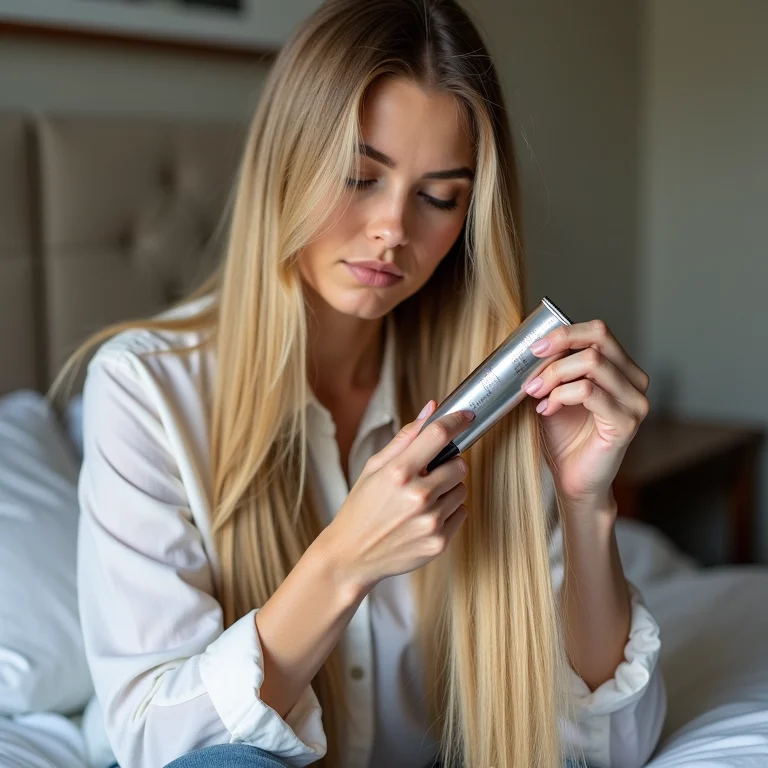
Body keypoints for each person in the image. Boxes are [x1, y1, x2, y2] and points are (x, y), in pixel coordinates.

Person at [62, 1, 666, 766]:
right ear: (288, 163)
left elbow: (614, 745)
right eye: (358, 177)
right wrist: (343, 561)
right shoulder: (146, 393)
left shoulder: (491, 398)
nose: (392, 228)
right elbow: (159, 744)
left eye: (439, 196)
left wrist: (587, 505)